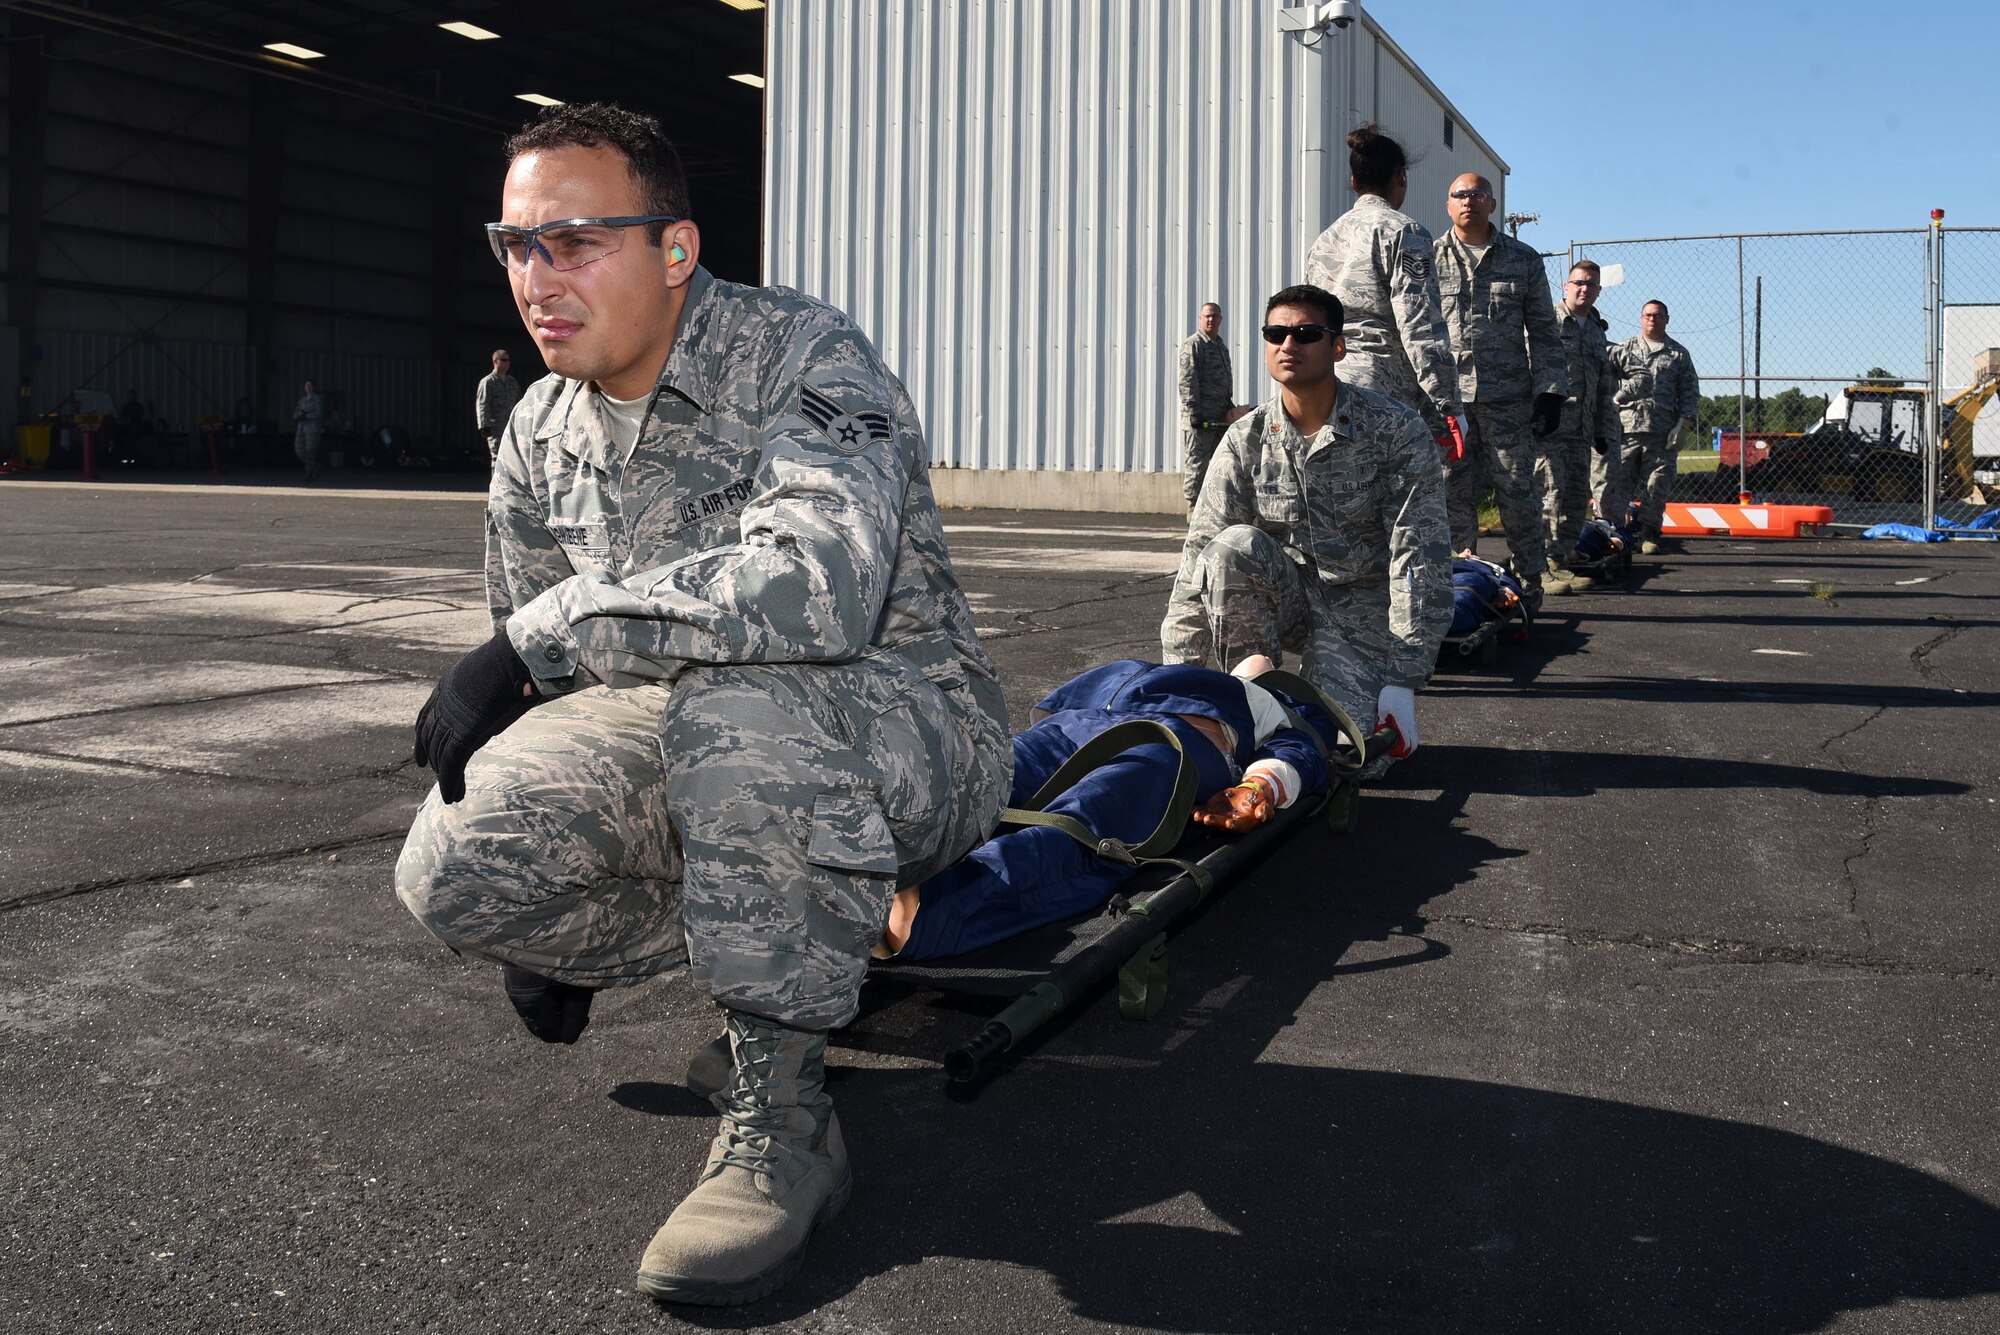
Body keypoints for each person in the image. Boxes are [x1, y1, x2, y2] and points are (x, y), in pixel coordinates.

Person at [392, 102, 1011, 1307]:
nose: (537, 277)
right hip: (680, 735)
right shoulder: (537, 426)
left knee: (745, 714)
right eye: (515, 245)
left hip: (903, 724)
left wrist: (545, 633)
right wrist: (545, 902)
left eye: (574, 241)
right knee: (455, 863)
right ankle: (766, 957)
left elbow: (816, 589)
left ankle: (783, 1117)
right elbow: (534, 674)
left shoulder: (801, 353)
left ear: (674, 250)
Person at [1161, 282, 1449, 774]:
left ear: (1337, 346)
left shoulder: (1394, 430)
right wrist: (1177, 678)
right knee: (1230, 548)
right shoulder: (1245, 439)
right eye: (1275, 334)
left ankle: (1316, 708)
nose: (1287, 345)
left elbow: (1418, 556)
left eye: (1305, 333)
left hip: (1362, 607)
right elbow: (1199, 557)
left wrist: (1405, 676)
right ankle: (1253, 687)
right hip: (1288, 598)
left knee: (1345, 758)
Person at [881, 655, 1339, 961]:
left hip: (1176, 746)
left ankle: (929, 913)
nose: (1256, 656)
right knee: (987, 779)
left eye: (1264, 660)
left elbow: (1302, 751)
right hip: (1081, 722)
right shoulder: (1176, 670)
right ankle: (868, 860)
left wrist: (1261, 783)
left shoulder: (1281, 706)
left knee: (1088, 817)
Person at [1431, 173, 1572, 597]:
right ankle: (1460, 586)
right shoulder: (1427, 258)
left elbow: (1544, 330)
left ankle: (1531, 581)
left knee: (1517, 491)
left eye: (1477, 194)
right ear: (1448, 204)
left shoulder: (1523, 259)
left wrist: (1549, 391)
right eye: (1459, 194)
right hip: (1447, 401)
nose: (1468, 201)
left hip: (1507, 399)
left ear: (1492, 204)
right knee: (1450, 492)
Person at [1303, 123, 1464, 448]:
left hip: (1326, 388)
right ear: (1401, 177)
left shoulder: (1324, 241)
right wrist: (1449, 405)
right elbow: (1420, 326)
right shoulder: (1404, 232)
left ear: (1353, 182)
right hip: (1383, 391)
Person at [1537, 261, 1625, 577]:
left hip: (1582, 429)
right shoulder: (1547, 322)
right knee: (1551, 495)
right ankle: (1544, 561)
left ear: (1599, 290)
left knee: (1575, 497)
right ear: (1566, 286)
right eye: (1578, 282)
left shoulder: (1595, 331)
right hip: (1551, 427)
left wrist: (1602, 429)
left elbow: (1604, 385)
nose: (1584, 289)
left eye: (1590, 284)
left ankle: (1564, 554)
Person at [1610, 299, 1701, 554]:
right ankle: (1616, 533)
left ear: (1667, 319)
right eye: (1648, 315)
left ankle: (1649, 533)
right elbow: (1607, 385)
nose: (1653, 319)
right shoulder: (1624, 349)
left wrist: (1683, 425)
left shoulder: (1678, 354)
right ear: (1640, 318)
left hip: (1662, 432)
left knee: (1656, 486)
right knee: (1618, 484)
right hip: (1625, 431)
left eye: (1658, 315)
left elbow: (1689, 393)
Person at [1177, 302, 1236, 507]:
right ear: (1200, 319)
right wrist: (1193, 411)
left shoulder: (1220, 346)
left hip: (1219, 417)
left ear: (1220, 320)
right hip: (1200, 418)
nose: (1211, 320)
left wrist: (1229, 406)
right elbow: (1187, 379)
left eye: (1214, 316)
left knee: (1223, 460)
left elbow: (1223, 381)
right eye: (1207, 316)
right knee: (1197, 463)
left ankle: (1214, 503)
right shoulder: (1194, 345)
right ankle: (1193, 508)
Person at [475, 348, 521, 466]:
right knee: (497, 456)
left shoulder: (512, 381)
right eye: (504, 360)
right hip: (496, 426)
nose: (507, 363)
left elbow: (519, 402)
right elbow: (482, 404)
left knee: (512, 457)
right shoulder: (488, 382)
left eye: (509, 360)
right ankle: (495, 484)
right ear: (495, 361)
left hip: (511, 425)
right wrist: (484, 425)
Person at [292, 379, 324, 482]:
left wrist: (306, 415)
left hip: (312, 428)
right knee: (299, 449)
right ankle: (315, 466)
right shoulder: (302, 400)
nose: (308, 388)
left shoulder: (317, 399)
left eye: (310, 386)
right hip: (301, 428)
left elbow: (319, 414)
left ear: (313, 387)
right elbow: (296, 412)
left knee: (310, 451)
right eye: (306, 386)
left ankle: (309, 473)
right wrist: (298, 415)